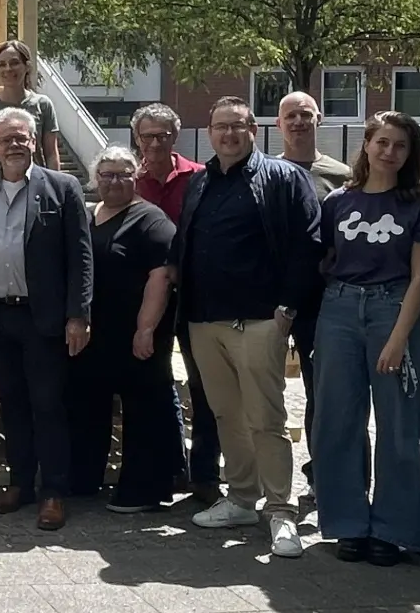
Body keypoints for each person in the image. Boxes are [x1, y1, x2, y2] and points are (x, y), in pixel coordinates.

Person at [169, 96, 320, 559]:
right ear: (209, 132)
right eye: (221, 126)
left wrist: (287, 309)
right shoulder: (200, 182)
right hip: (204, 320)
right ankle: (240, 498)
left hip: (259, 320)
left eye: (238, 126)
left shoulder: (283, 177)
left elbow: (308, 244)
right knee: (226, 416)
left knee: (266, 419)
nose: (229, 134)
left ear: (254, 129)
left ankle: (280, 510)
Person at [0, 108, 93, 530]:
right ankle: (20, 484)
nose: (13, 145)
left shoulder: (62, 187)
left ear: (34, 141)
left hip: (43, 318)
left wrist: (78, 315)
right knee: (11, 403)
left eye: (20, 137)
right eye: (4, 139)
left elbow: (81, 256)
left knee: (48, 404)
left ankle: (53, 491)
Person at [313, 111, 420, 566]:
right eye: (382, 142)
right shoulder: (338, 202)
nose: (389, 152)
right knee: (337, 421)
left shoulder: (419, 204)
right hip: (339, 311)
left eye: (400, 145)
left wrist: (399, 338)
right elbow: (323, 260)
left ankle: (392, 529)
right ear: (366, 145)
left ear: (410, 153)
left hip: (394, 309)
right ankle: (347, 524)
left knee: (399, 426)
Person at [67, 147, 185, 512]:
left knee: (144, 411)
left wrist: (145, 328)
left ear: (136, 178)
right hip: (94, 335)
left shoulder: (151, 219)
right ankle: (83, 479)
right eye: (107, 175)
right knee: (87, 408)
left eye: (123, 174)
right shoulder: (89, 215)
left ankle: (143, 490)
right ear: (95, 179)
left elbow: (162, 276)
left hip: (137, 334)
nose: (114, 182)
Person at [130, 103, 216, 503]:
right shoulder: (129, 181)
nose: (154, 143)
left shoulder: (200, 177)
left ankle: (205, 473)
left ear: (175, 137)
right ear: (137, 139)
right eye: (147, 136)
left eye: (162, 135)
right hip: (147, 296)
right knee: (156, 380)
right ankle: (171, 465)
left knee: (203, 384)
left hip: (195, 293)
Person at [276, 90, 352, 491]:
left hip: (323, 303)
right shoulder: (266, 172)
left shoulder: (342, 176)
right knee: (261, 394)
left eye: (306, 114)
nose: (298, 122)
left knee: (322, 393)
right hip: (271, 302)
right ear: (278, 124)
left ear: (318, 119)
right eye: (290, 115)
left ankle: (323, 476)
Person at [0, 40, 60, 182]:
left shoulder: (43, 105)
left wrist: (56, 187)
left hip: (36, 186)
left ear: (27, 66)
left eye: (14, 63)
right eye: (2, 64)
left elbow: (51, 154)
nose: (8, 69)